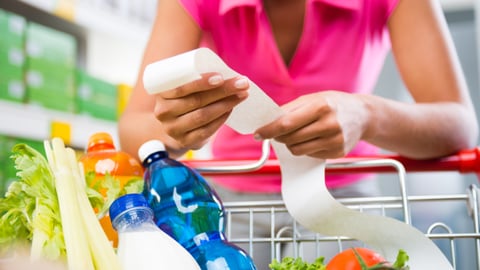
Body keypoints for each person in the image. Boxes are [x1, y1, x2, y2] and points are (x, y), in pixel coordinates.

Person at [118, 0, 479, 268]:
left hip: (341, 195)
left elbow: (460, 124)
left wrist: (367, 115)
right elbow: (133, 126)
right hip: (229, 200)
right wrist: (178, 131)